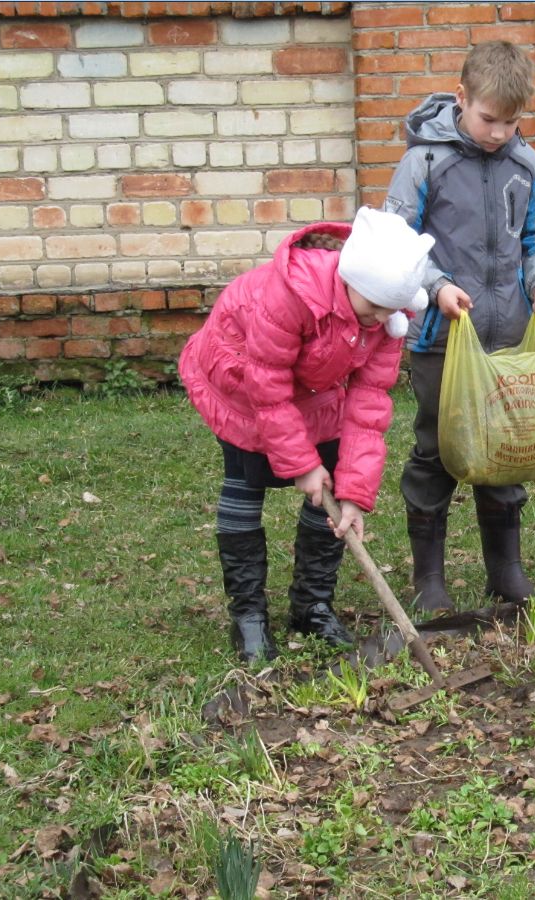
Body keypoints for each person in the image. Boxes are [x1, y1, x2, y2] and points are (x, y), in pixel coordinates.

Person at [179, 207, 435, 663]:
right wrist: (300, 464)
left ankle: (311, 605)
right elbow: (267, 387)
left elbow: (369, 405)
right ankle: (249, 615)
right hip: (239, 375)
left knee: (335, 475)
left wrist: (354, 492)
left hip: (312, 383)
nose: (378, 319)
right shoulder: (289, 296)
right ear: (350, 279)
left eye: (389, 310)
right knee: (246, 478)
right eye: (372, 306)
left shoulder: (386, 319)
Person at [384, 40, 535, 614]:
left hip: (506, 336)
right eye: (489, 119)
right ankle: (428, 580)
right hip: (443, 338)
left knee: (506, 445)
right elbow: (398, 242)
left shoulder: (526, 165)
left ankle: (505, 570)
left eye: (511, 122)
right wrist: (436, 287)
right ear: (461, 99)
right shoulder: (425, 163)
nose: (499, 133)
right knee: (438, 446)